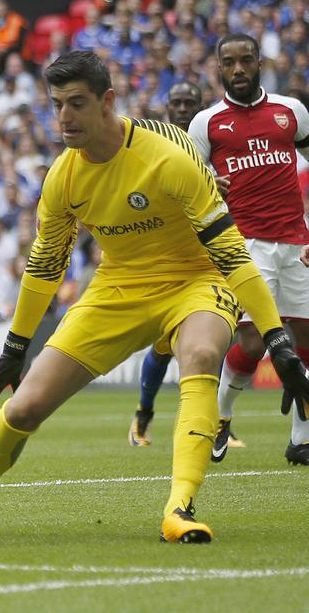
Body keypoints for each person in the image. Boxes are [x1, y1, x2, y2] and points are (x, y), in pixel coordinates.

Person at [0, 51, 309, 544]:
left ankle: (180, 508)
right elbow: (45, 267)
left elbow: (232, 255)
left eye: (76, 103)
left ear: (107, 101)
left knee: (200, 354)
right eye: (57, 105)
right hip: (118, 287)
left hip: (198, 279)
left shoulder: (170, 156)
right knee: (25, 408)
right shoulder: (62, 177)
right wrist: (13, 350)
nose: (65, 117)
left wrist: (277, 341)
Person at [187, 35, 309, 466]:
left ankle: (300, 439)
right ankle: (222, 415)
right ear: (218, 68)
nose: (238, 69)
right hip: (244, 245)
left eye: (245, 60)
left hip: (297, 242)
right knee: (255, 343)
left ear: (259, 62)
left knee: (307, 344)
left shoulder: (290, 111)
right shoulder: (206, 123)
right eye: (229, 62)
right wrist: (208, 186)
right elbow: (190, 184)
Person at [128, 80, 203, 447]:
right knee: (162, 345)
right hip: (163, 255)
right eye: (178, 101)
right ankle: (144, 412)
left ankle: (219, 422)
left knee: (211, 340)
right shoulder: (155, 144)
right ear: (167, 107)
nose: (184, 107)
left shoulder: (210, 144)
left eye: (191, 102)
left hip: (207, 254)